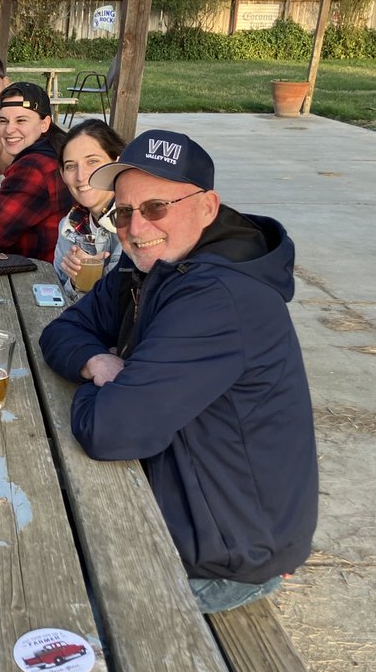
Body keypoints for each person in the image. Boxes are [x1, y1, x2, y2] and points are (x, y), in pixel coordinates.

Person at [38, 130, 317, 613]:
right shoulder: (145, 267)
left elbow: (110, 430)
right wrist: (99, 362)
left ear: (208, 207)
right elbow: (61, 332)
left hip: (220, 552)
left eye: (155, 207)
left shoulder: (219, 296)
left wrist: (110, 391)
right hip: (178, 495)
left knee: (43, 604)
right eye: (123, 211)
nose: (135, 226)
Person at [0, 82, 72, 263]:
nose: (9, 130)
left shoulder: (34, 167)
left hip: (44, 280)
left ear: (44, 124)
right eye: (4, 121)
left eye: (21, 120)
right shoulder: (50, 153)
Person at [53, 120, 126, 299]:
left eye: (92, 161)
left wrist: (97, 278)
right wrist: (75, 282)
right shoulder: (69, 225)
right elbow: (57, 289)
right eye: (71, 166)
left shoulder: (134, 221)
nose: (81, 176)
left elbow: (126, 299)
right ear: (62, 174)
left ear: (116, 161)